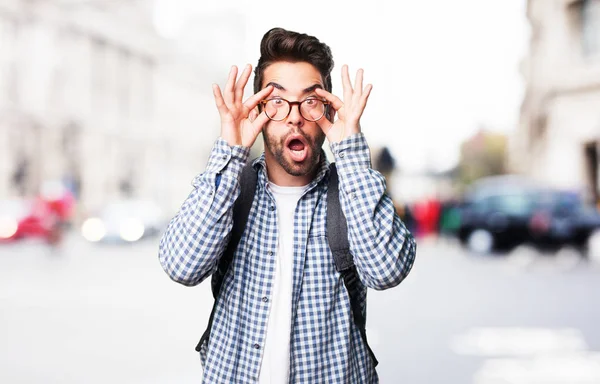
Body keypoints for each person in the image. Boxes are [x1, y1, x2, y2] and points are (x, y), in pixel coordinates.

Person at [159, 27, 417, 384]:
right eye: (277, 102)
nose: (294, 116)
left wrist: (353, 155)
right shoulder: (234, 189)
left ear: (327, 109)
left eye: (310, 100)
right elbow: (181, 266)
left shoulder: (351, 192)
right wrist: (229, 152)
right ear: (260, 111)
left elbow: (387, 272)